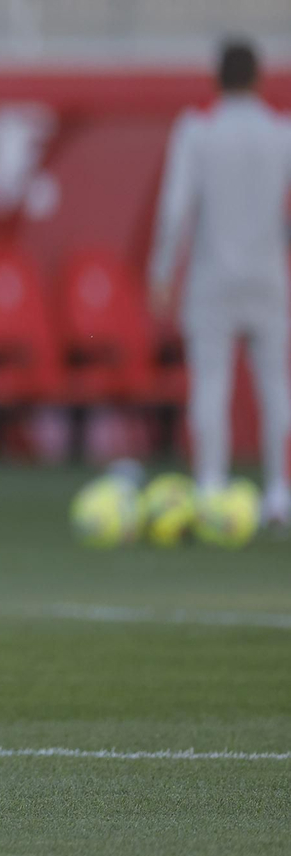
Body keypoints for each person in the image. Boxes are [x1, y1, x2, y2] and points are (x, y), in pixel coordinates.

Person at [150, 39, 291, 530]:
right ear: (259, 78)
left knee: (211, 384)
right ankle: (280, 492)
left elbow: (175, 209)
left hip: (211, 277)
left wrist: (161, 272)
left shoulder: (198, 131)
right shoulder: (280, 132)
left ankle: (210, 487)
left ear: (216, 79)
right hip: (268, 275)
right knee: (276, 387)